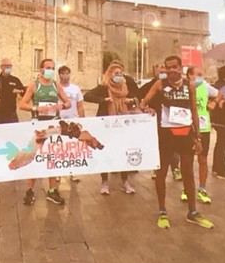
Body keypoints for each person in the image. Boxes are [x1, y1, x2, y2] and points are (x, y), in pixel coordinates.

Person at [139, 55, 214, 229]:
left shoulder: (189, 85)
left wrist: (198, 137)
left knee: (188, 172)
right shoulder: (160, 84)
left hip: (186, 133)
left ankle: (192, 212)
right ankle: (162, 211)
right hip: (166, 134)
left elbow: (194, 111)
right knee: (162, 172)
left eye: (174, 67)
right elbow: (142, 103)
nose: (171, 70)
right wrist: (148, 108)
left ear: (180, 68)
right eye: (167, 67)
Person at [18, 58, 71, 205]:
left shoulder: (56, 85)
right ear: (41, 69)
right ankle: (30, 190)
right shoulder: (34, 85)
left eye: (52, 68)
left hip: (53, 126)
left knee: (52, 158)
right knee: (34, 157)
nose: (50, 70)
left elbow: (68, 102)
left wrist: (62, 106)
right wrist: (36, 108)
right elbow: (22, 104)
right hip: (37, 125)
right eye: (47, 67)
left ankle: (52, 190)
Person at [84, 62, 137, 194]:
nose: (119, 76)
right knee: (105, 153)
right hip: (106, 124)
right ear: (110, 75)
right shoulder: (104, 87)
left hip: (121, 123)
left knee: (123, 151)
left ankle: (125, 182)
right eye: (116, 74)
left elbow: (135, 98)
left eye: (120, 73)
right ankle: (104, 182)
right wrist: (104, 100)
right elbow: (88, 96)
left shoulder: (124, 87)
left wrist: (130, 101)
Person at [183, 66, 222, 204]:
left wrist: (214, 102)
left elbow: (220, 93)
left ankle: (202, 188)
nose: (201, 77)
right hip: (187, 127)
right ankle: (186, 189)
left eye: (202, 75)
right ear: (189, 75)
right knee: (187, 160)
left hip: (203, 127)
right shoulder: (182, 87)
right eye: (198, 74)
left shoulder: (204, 86)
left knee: (203, 159)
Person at [139, 64, 182, 181]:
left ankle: (175, 169)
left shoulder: (174, 85)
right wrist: (146, 109)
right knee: (157, 145)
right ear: (155, 72)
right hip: (156, 120)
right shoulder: (149, 86)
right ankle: (156, 168)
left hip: (173, 120)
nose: (163, 72)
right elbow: (138, 98)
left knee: (175, 146)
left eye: (165, 70)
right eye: (160, 70)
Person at [58, 65, 85, 182]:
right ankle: (57, 173)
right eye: (63, 73)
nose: (65, 75)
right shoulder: (56, 88)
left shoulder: (75, 89)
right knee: (59, 147)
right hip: (59, 121)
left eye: (67, 73)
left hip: (73, 121)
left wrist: (82, 120)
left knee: (72, 148)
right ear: (59, 75)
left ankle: (73, 172)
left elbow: (80, 106)